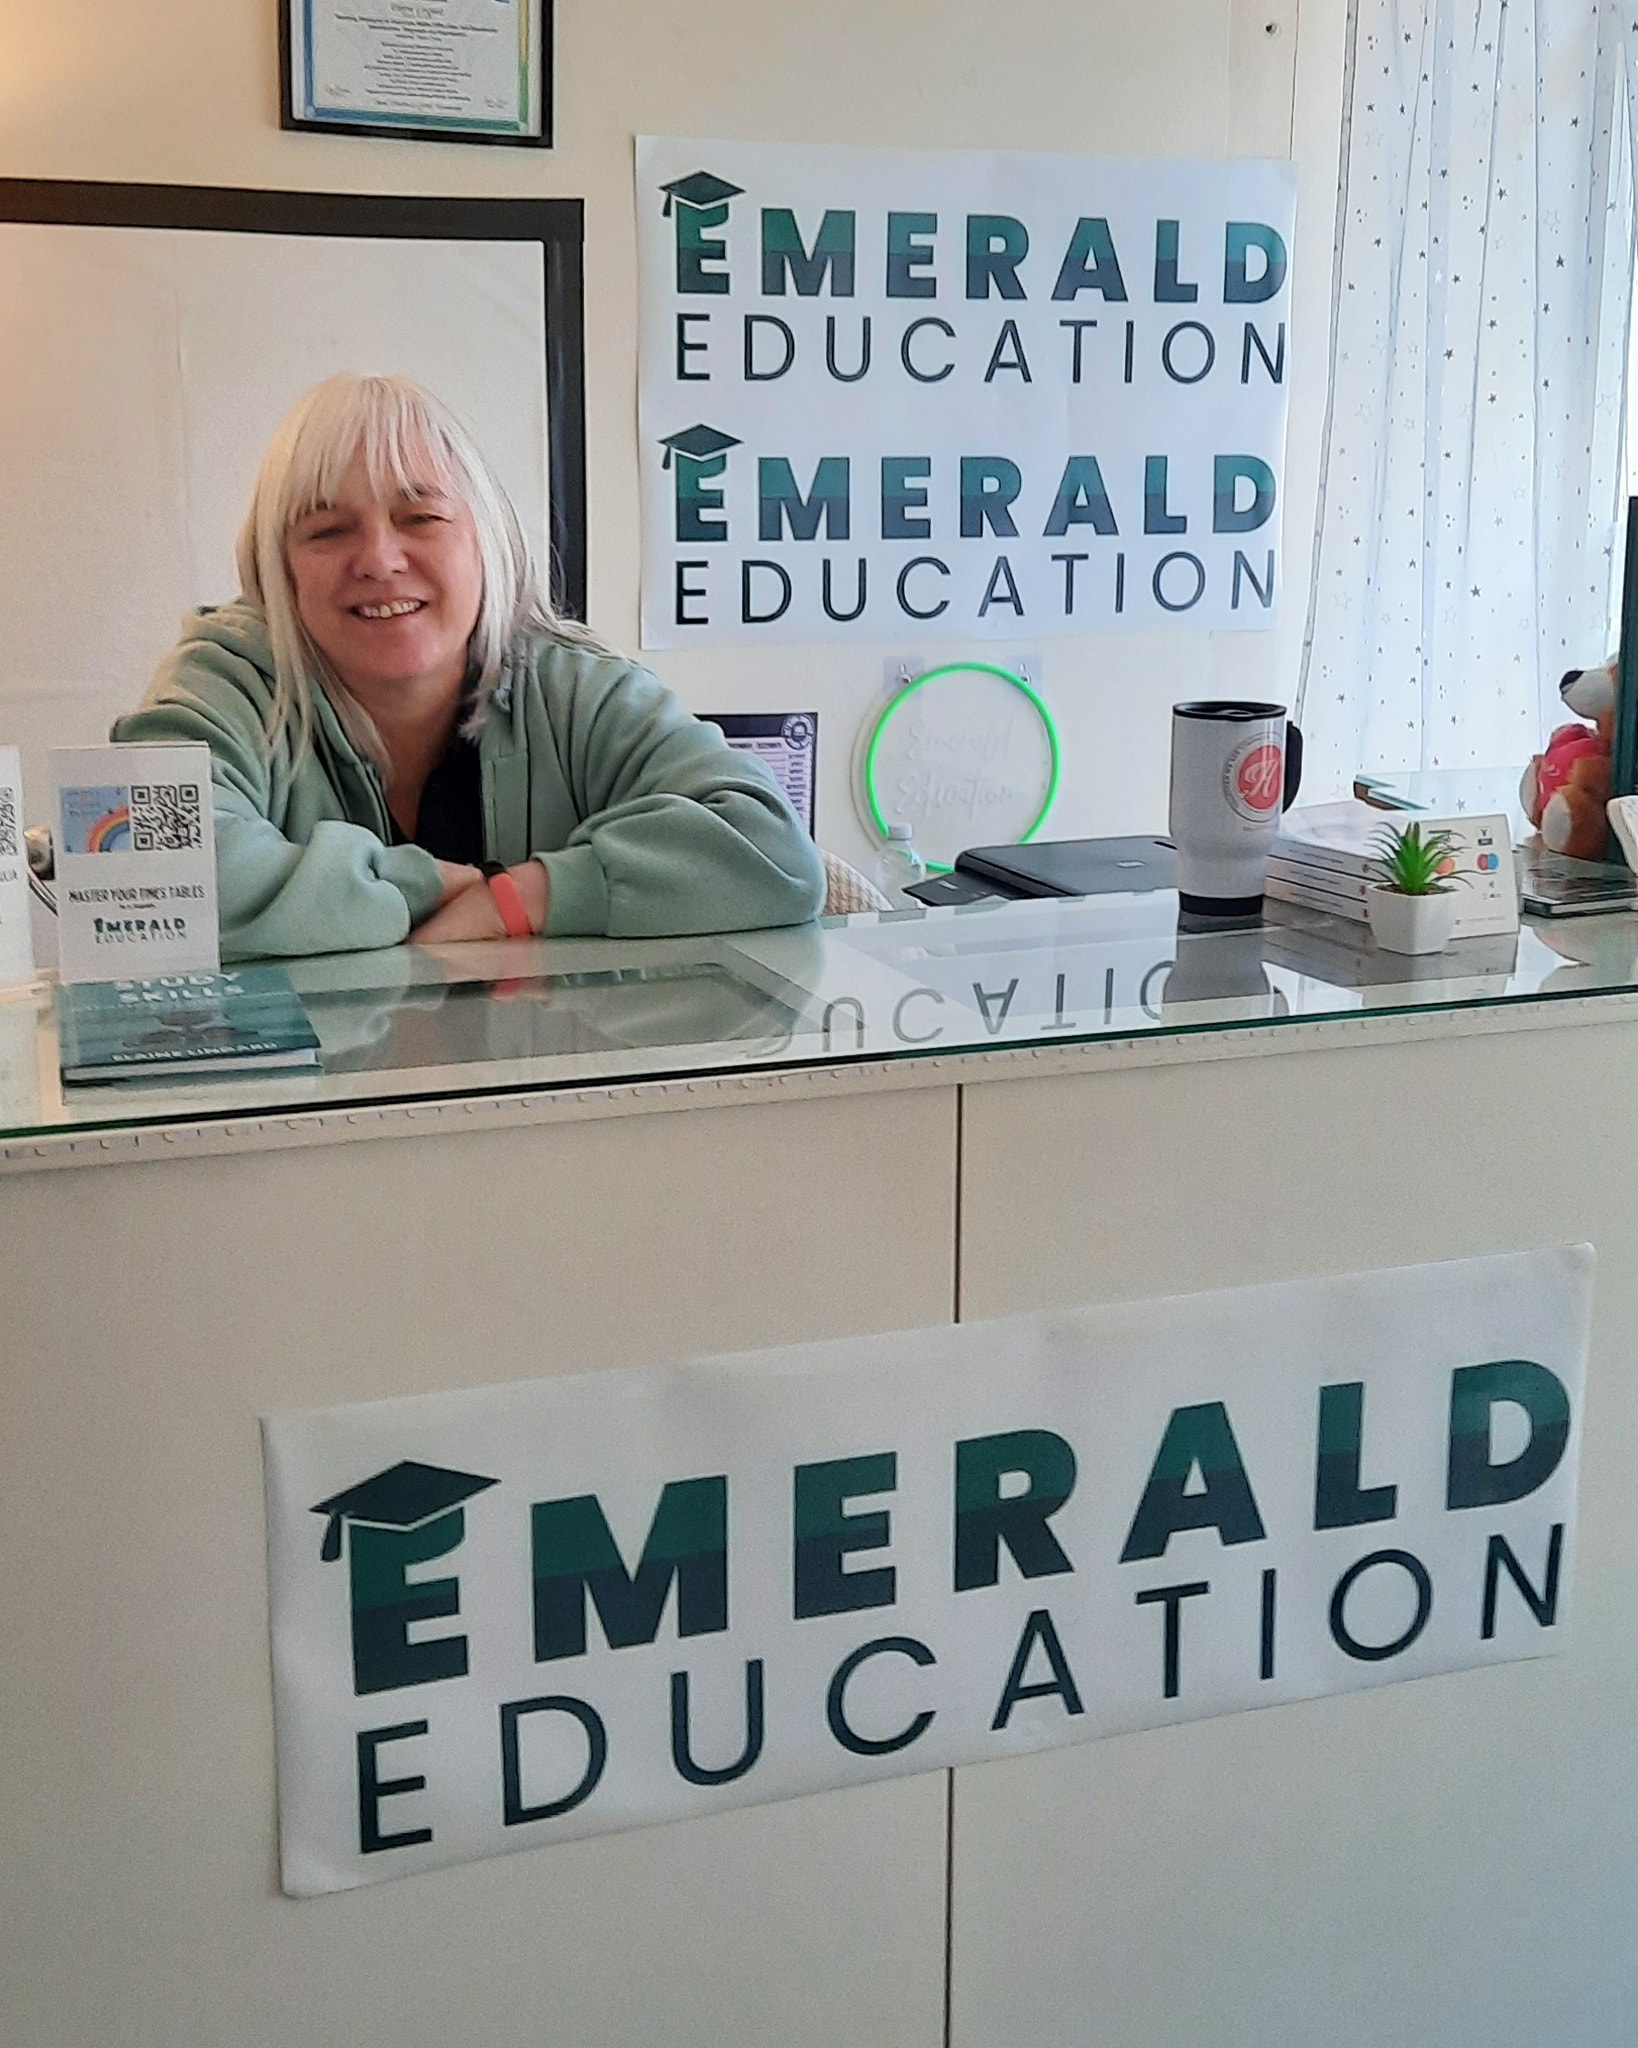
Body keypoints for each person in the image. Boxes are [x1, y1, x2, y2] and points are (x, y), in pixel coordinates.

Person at [114, 373, 825, 959]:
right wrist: (418, 887)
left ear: (486, 540)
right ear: (277, 571)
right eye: (327, 530)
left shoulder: (576, 688)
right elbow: (139, 872)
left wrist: (520, 898)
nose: (380, 561)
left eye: (420, 518)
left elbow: (773, 851)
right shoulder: (225, 680)